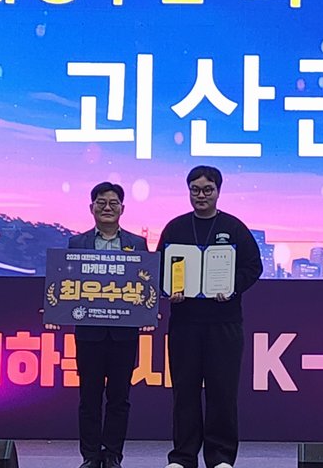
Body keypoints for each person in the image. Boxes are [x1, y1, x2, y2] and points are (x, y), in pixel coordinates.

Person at [160, 166, 263, 468]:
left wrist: (232, 287)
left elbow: (253, 267)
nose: (201, 195)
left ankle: (221, 457)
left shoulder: (234, 227)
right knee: (185, 392)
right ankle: (183, 457)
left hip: (224, 324)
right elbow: (160, 268)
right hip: (185, 323)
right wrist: (169, 289)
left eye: (207, 189)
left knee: (222, 392)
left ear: (218, 191)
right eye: (195, 189)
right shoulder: (175, 228)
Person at [67, 182, 150, 468]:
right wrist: (57, 307)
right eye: (101, 202)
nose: (107, 207)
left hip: (123, 334)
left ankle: (113, 454)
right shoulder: (77, 243)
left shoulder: (137, 244)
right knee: (89, 397)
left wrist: (147, 311)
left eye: (113, 203)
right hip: (89, 334)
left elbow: (144, 283)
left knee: (119, 398)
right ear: (91, 208)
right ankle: (90, 456)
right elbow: (69, 282)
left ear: (122, 209)